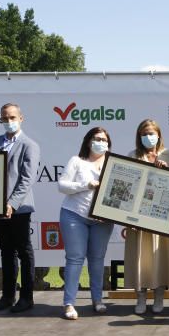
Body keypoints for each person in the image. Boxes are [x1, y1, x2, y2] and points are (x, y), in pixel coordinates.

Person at [0, 102, 41, 313]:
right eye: (4, 118)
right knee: (6, 252)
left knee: (24, 252)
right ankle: (8, 296)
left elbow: (27, 179)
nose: (8, 121)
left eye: (12, 117)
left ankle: (26, 298)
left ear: (21, 118)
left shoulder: (29, 145)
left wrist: (12, 204)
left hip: (19, 208)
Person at [58, 127, 115, 320]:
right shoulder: (77, 161)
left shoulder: (114, 165)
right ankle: (69, 303)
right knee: (75, 258)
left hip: (103, 220)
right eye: (97, 138)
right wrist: (86, 185)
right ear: (88, 141)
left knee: (97, 260)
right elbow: (62, 186)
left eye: (104, 140)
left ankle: (97, 300)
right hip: (74, 215)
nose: (101, 142)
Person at [125, 119, 169, 315]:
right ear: (139, 137)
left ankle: (158, 296)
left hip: (160, 217)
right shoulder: (133, 155)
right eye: (144, 134)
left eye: (152, 133)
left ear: (159, 134)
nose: (149, 137)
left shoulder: (168, 155)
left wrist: (165, 170)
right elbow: (128, 186)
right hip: (137, 218)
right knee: (140, 257)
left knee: (159, 257)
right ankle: (140, 297)